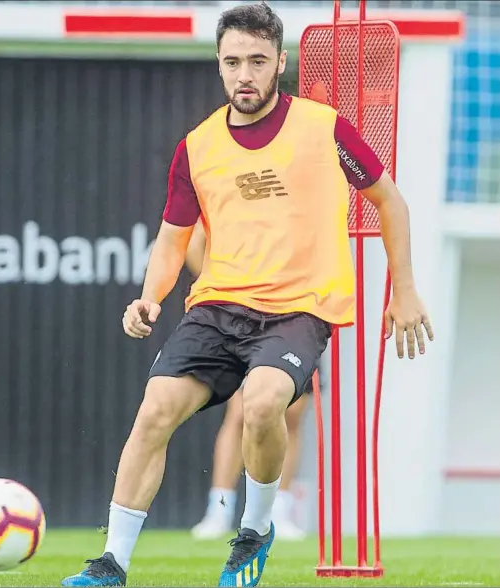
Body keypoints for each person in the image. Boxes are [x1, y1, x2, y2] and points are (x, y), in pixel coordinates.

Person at [62, 3, 433, 587]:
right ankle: (111, 563)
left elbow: (391, 200)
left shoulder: (326, 126)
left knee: (263, 403)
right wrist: (150, 295)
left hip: (300, 308)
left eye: (258, 61)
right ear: (218, 64)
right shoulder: (198, 146)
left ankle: (254, 532)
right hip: (217, 305)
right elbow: (172, 235)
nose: (245, 75)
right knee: (154, 410)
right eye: (233, 62)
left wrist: (403, 289)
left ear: (280, 62)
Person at [185, 220, 313, 541]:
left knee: (292, 414)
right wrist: (223, 295)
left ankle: (278, 511)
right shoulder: (239, 186)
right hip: (242, 315)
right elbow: (194, 243)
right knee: (240, 412)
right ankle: (220, 508)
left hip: (296, 314)